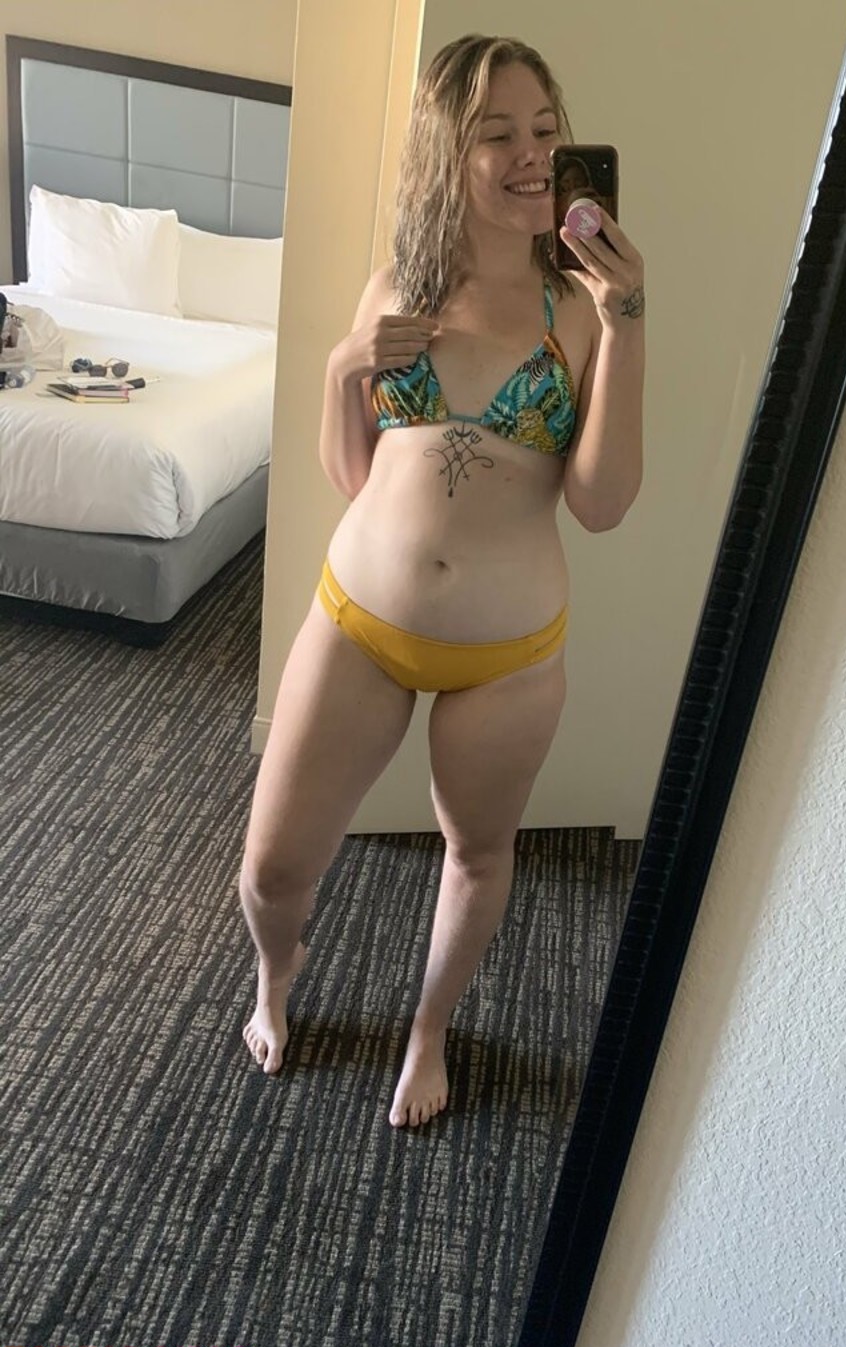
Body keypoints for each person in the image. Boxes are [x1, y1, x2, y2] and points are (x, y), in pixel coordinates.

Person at [239, 33, 646, 1128]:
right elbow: (351, 475)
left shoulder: (582, 311)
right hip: (359, 625)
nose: (533, 155)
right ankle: (277, 974)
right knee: (270, 871)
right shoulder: (398, 287)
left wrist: (627, 321)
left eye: (545, 130)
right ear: (446, 152)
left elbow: (602, 503)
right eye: (498, 133)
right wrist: (344, 367)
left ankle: (429, 1029)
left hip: (509, 660)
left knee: (476, 853)